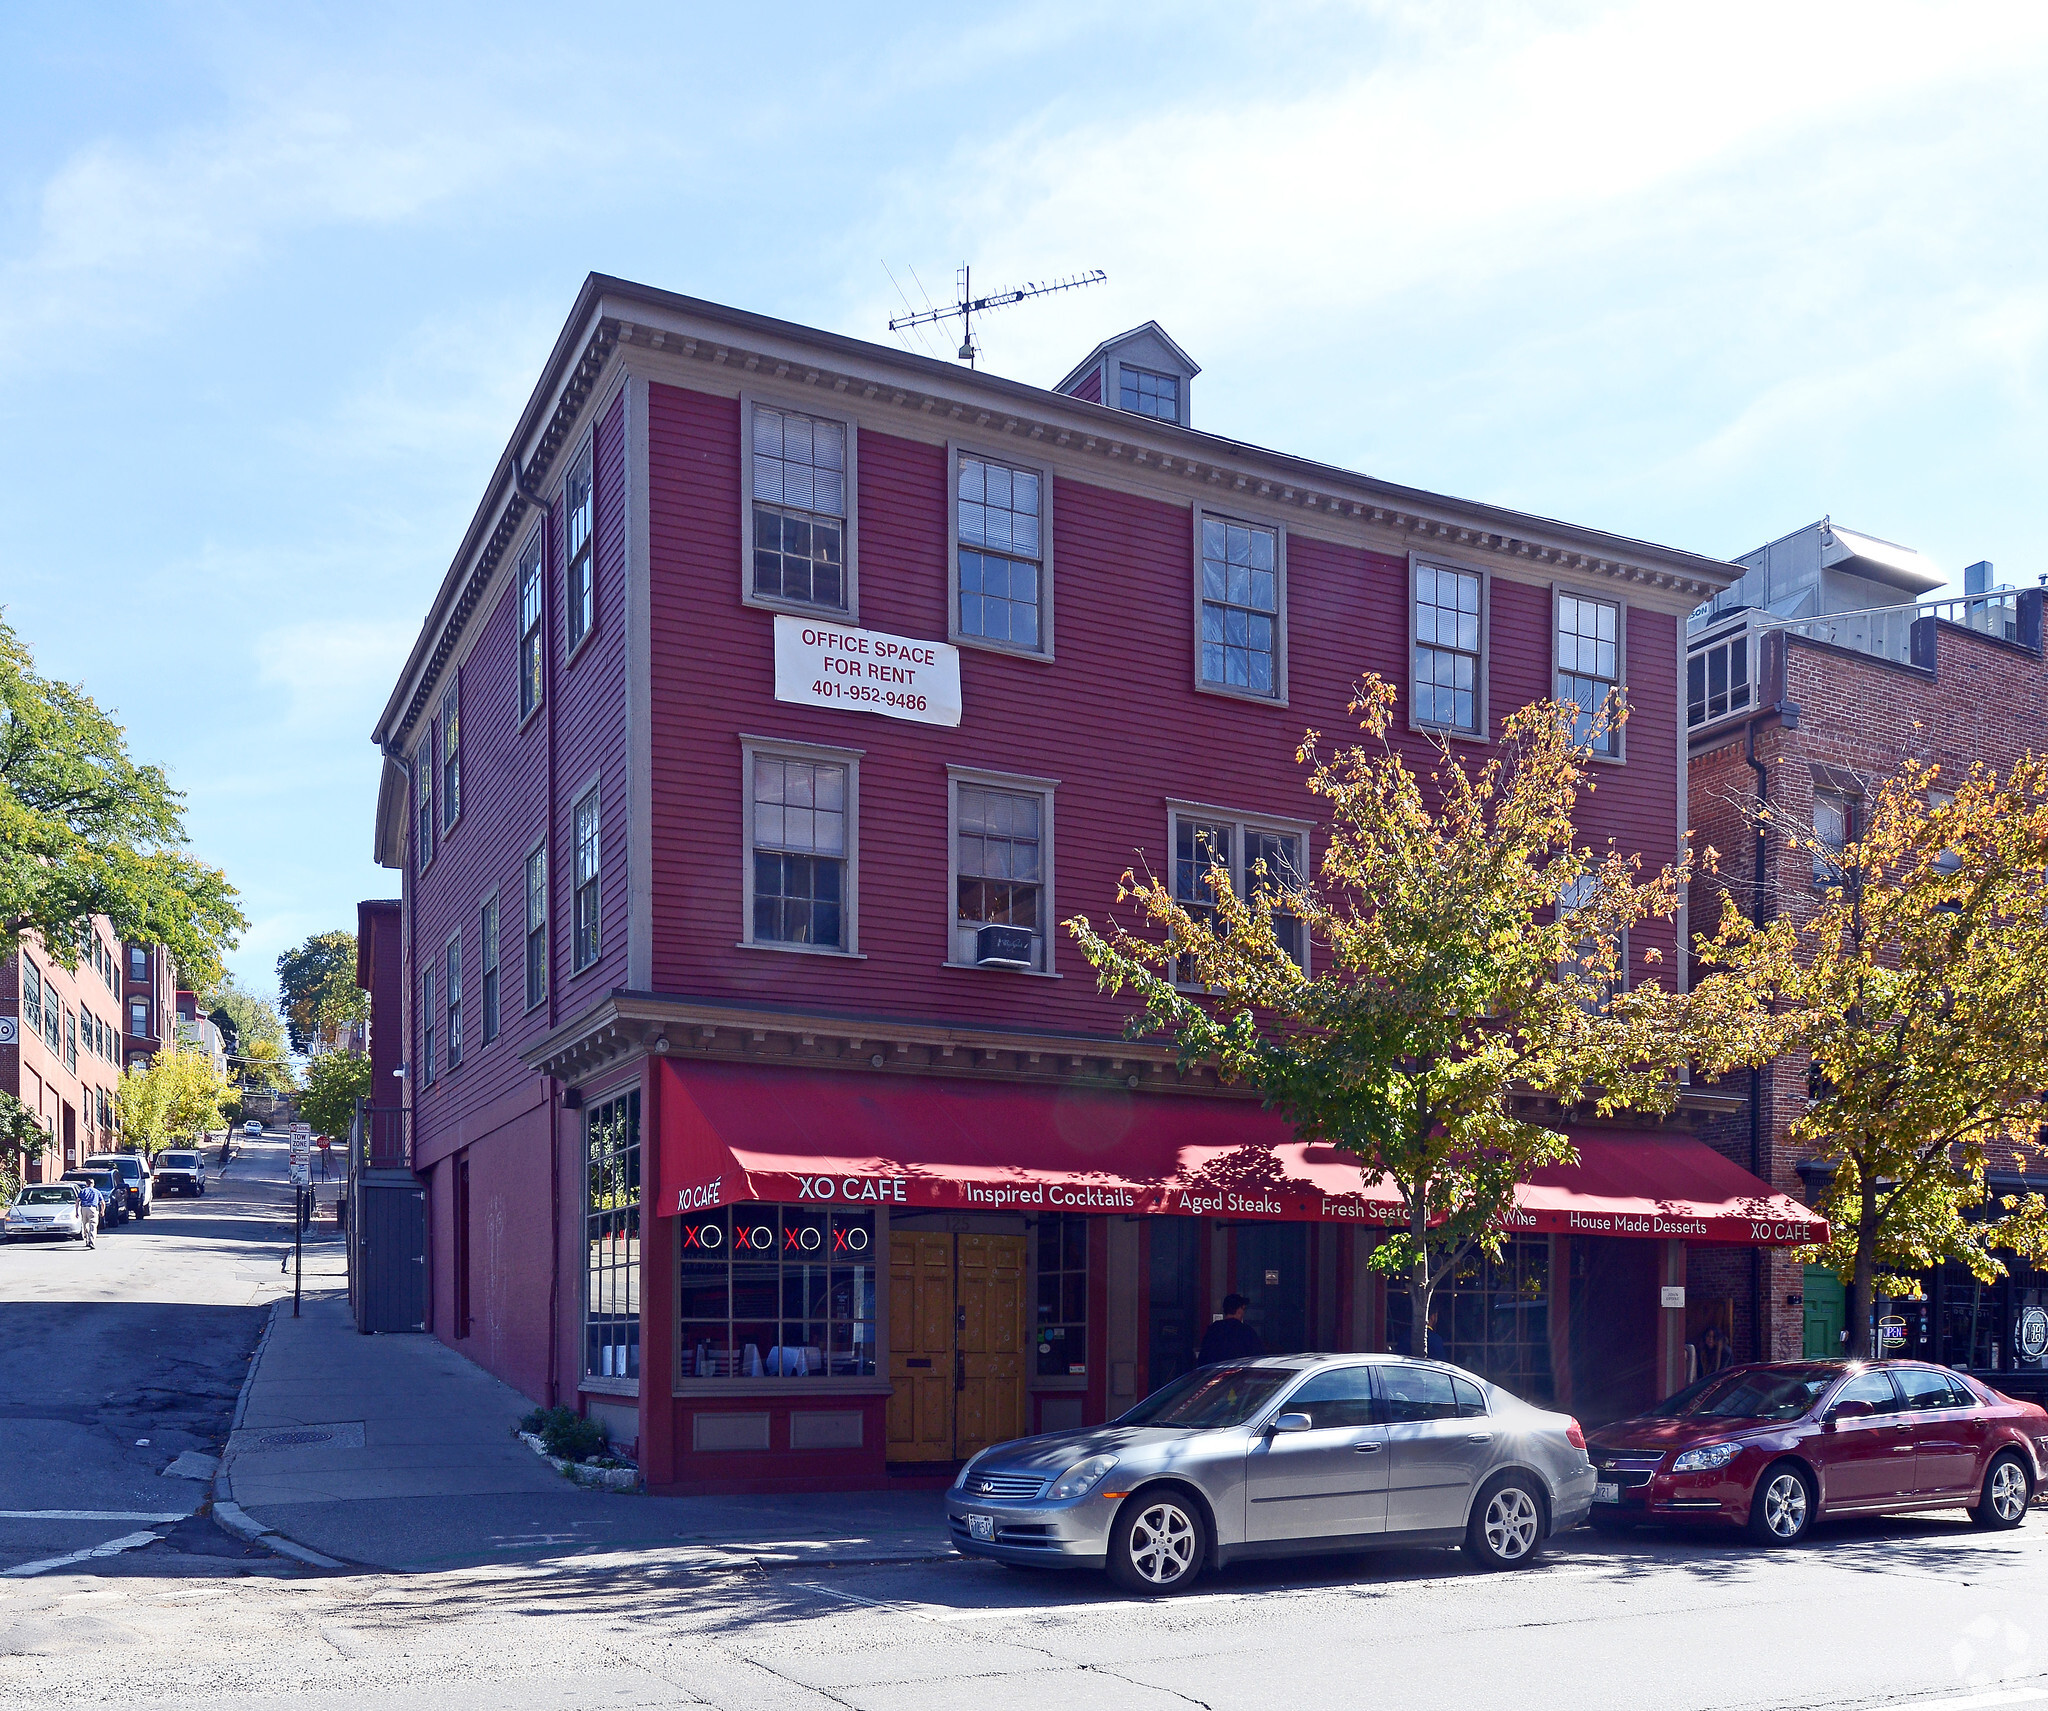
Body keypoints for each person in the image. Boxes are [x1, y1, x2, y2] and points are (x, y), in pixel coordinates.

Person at [1197, 1293, 1266, 1365]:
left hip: (1215, 1372)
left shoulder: (1213, 1329)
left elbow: (1203, 1357)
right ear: (1239, 1310)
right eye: (1243, 1309)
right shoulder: (1247, 1331)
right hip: (1239, 1372)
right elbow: (1258, 1357)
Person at [76, 1179, 102, 1250]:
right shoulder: (97, 1191)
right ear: (93, 1184)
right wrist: (102, 1211)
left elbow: (77, 1201)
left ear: (86, 1184)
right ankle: (92, 1242)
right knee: (93, 1225)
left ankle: (87, 1240)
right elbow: (102, 1202)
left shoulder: (82, 1191)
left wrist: (77, 1211)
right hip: (93, 1209)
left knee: (85, 1225)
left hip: (84, 1208)